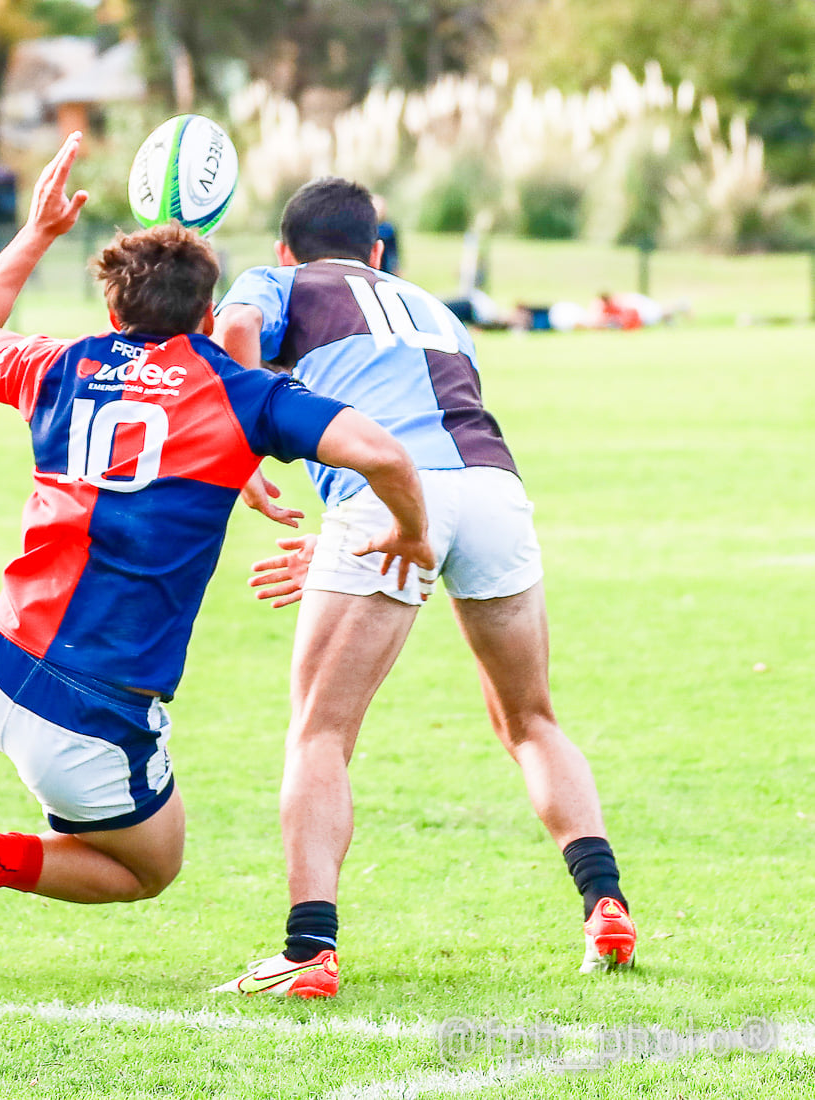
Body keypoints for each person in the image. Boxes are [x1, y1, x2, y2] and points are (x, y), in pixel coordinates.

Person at [0, 136, 435, 912]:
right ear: (209, 312)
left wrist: (40, 230)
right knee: (148, 868)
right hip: (95, 707)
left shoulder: (56, 364)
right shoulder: (241, 395)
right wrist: (411, 533)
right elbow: (383, 453)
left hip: (4, 651)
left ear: (111, 306)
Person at [211, 176, 635, 998]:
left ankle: (307, 951)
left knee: (321, 733)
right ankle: (606, 904)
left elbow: (232, 329)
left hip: (392, 494)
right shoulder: (429, 305)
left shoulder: (283, 282)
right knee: (531, 719)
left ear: (284, 249)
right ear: (377, 252)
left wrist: (244, 457)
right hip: (494, 493)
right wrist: (354, 544)